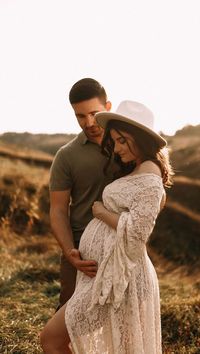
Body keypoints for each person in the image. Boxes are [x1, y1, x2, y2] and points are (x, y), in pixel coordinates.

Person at [41, 100, 173, 354]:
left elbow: (137, 234)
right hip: (106, 276)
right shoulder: (137, 168)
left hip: (119, 279)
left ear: (141, 140)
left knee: (51, 339)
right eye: (115, 141)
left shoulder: (150, 175)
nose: (118, 148)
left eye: (123, 141)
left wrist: (102, 213)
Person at [49, 78, 115, 308]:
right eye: (80, 116)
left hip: (123, 244)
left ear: (108, 107)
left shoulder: (130, 146)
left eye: (94, 113)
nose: (88, 122)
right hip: (82, 250)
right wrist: (70, 253)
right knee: (67, 319)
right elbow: (58, 210)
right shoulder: (66, 155)